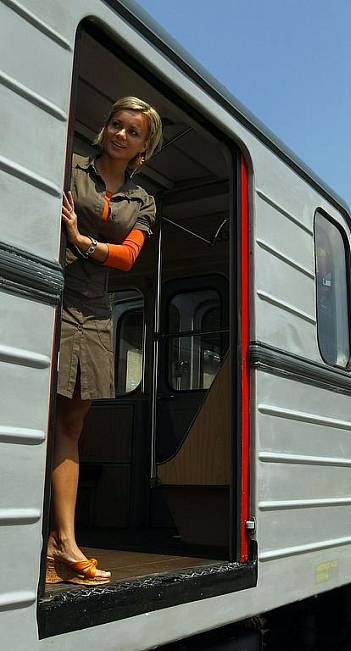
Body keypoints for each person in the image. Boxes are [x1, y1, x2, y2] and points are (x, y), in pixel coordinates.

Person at [46, 97, 162, 586]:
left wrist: (82, 240)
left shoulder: (143, 200)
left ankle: (62, 544)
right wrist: (85, 246)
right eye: (115, 124)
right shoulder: (69, 164)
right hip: (52, 291)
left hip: (94, 312)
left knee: (72, 424)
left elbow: (128, 257)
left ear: (144, 146)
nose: (119, 134)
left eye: (132, 132)